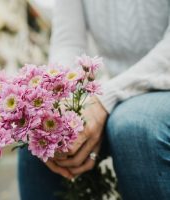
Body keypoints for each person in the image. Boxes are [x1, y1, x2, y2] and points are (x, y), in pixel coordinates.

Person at [18, 0, 170, 199]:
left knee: (134, 128)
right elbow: (68, 43)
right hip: (118, 92)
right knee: (40, 141)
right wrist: (62, 102)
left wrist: (105, 99)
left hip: (159, 83)